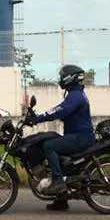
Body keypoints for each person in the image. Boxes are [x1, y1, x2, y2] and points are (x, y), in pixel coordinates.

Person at [25, 64, 95, 211]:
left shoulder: (75, 96)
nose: (61, 79)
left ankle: (57, 182)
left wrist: (37, 119)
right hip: (76, 135)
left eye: (63, 76)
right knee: (52, 143)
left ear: (70, 78)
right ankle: (61, 201)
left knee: (49, 146)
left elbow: (58, 111)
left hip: (80, 137)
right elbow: (60, 111)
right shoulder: (75, 94)